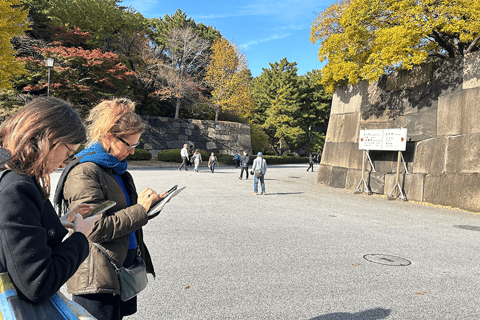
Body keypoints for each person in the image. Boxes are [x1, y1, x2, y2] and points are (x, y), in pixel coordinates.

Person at [55, 98, 160, 320]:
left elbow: (126, 212)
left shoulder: (116, 168)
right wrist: (140, 209)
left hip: (120, 270)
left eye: (136, 146)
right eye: (129, 145)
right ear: (110, 137)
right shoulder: (85, 171)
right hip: (97, 276)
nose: (132, 152)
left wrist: (149, 205)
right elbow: (93, 228)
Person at [0, 97, 97, 308]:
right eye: (68, 153)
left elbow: (11, 242)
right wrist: (81, 236)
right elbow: (38, 284)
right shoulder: (16, 186)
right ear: (49, 139)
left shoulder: (7, 169)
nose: (64, 162)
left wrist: (57, 223)